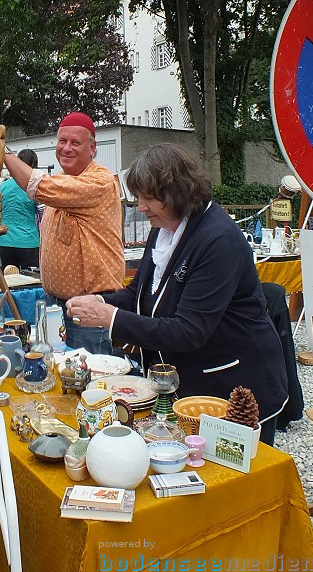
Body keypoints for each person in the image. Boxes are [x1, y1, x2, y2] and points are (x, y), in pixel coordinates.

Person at [65, 143, 289, 445]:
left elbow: (188, 331)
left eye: (148, 197)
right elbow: (140, 292)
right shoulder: (165, 227)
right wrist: (101, 302)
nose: (141, 206)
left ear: (176, 192)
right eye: (138, 197)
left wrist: (110, 318)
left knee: (234, 483)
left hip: (234, 385)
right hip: (190, 384)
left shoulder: (218, 240)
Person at [0, 112, 124, 354]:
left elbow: (40, 186)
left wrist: (2, 152)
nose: (66, 149)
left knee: (90, 382)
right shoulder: (61, 180)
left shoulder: (99, 182)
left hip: (87, 310)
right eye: (62, 141)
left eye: (75, 143)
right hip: (56, 307)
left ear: (93, 148)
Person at [0, 148, 40, 270]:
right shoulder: (34, 187)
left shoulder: (3, 186)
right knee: (30, 281)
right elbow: (43, 214)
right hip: (28, 240)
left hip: (5, 240)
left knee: (8, 280)